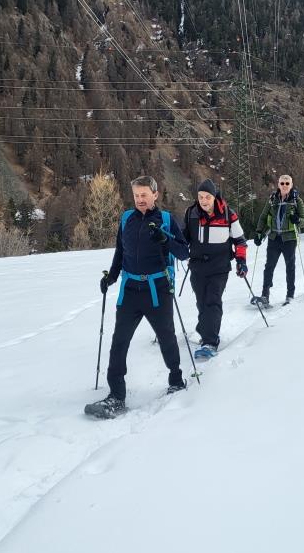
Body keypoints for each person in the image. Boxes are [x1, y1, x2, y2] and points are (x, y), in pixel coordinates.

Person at [86, 175, 190, 419]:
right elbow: (120, 252)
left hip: (157, 289)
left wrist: (165, 239)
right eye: (136, 195)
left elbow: (184, 253)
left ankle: (176, 380)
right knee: (119, 341)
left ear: (155, 194)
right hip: (130, 289)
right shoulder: (127, 219)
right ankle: (116, 395)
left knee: (166, 337)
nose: (140, 199)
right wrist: (111, 277)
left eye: (144, 195)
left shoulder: (166, 220)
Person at [182, 179, 248, 360]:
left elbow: (240, 241)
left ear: (214, 197)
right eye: (200, 197)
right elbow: (183, 239)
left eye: (207, 197)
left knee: (212, 301)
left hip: (219, 267)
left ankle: (210, 342)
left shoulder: (227, 214)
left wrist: (241, 261)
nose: (203, 201)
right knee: (202, 302)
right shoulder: (191, 213)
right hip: (197, 267)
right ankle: (204, 330)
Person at [253, 174, 304, 307]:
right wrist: (259, 232)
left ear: (291, 185)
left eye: (287, 183)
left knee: (290, 267)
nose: (284, 186)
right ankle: (265, 296)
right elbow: (263, 217)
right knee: (269, 266)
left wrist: (297, 220)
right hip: (274, 238)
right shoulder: (272, 199)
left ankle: (290, 295)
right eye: (282, 183)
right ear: (278, 184)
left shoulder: (297, 201)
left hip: (289, 239)